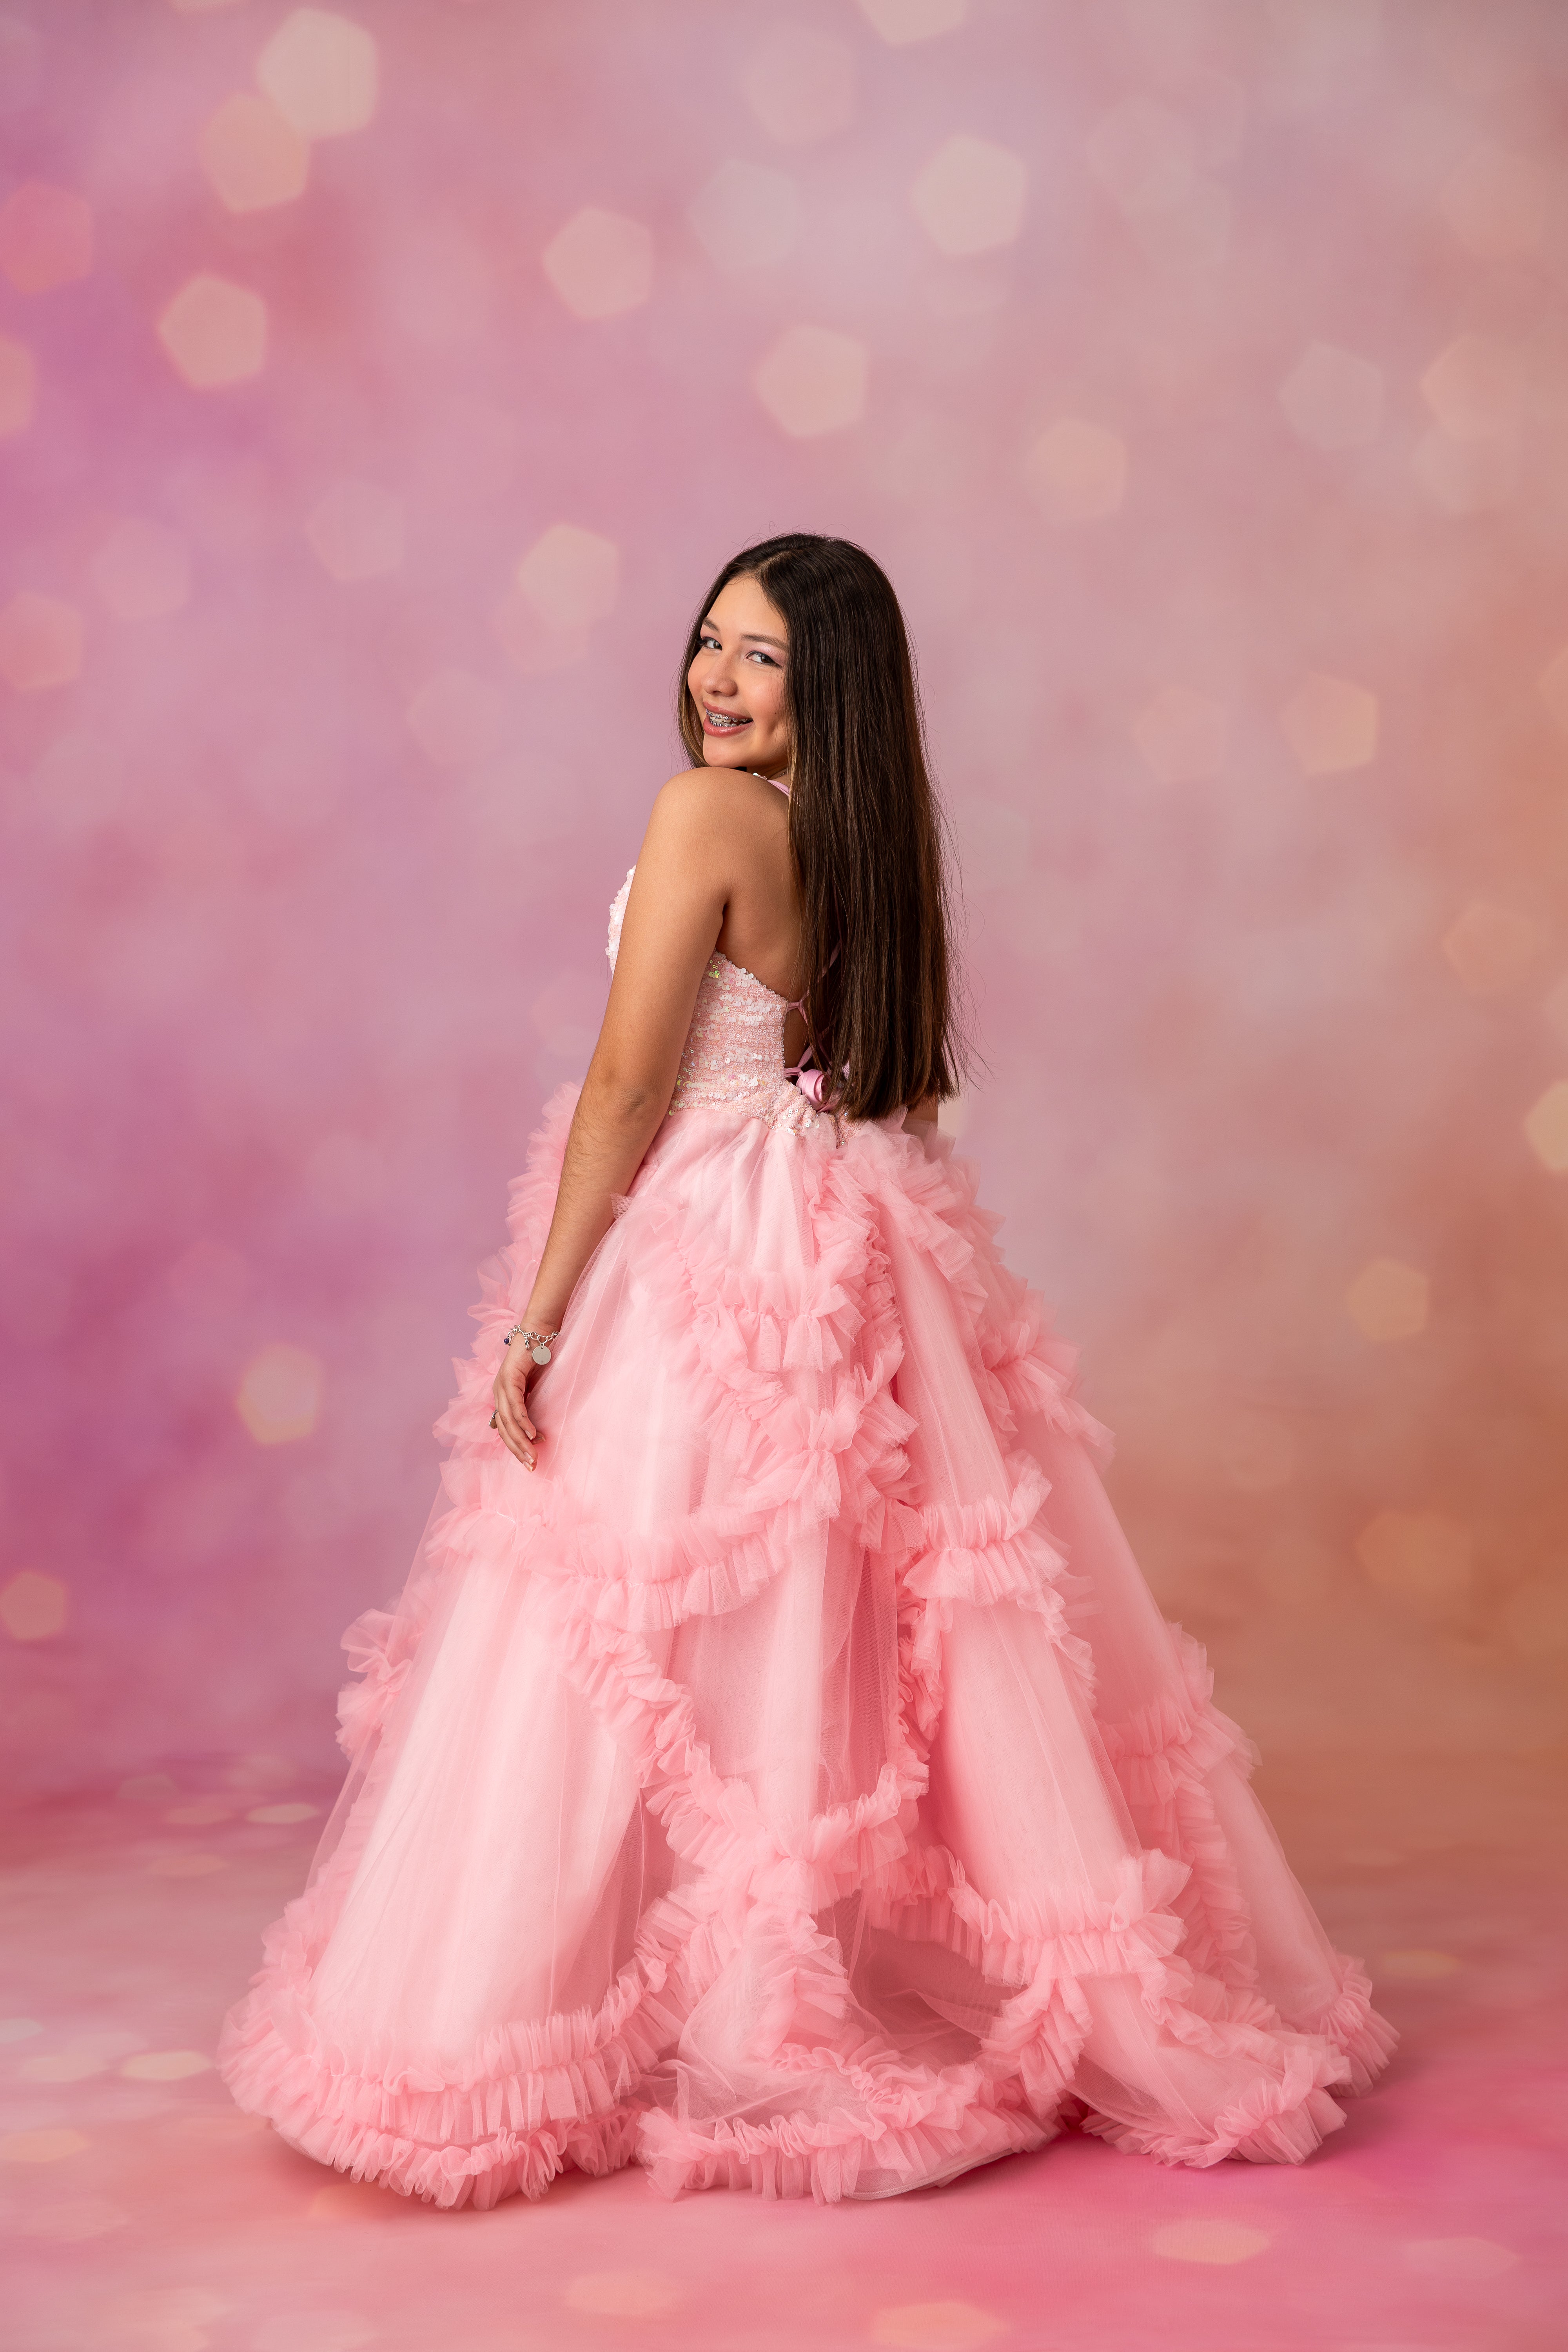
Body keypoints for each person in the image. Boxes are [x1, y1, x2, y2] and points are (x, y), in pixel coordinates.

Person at [219, 532, 1395, 2208]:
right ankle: (755, 1983)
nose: (714, 675)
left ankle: (569, 2016)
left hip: (709, 1243)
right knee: (801, 1630)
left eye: (760, 657)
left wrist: (543, 1312)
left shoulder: (702, 817)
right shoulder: (863, 842)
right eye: (708, 640)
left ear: (825, 685)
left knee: (623, 1622)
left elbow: (629, 1086)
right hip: (836, 1241)